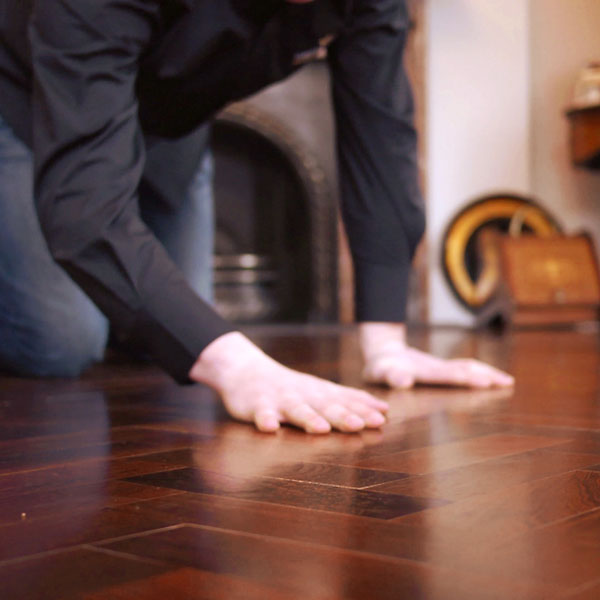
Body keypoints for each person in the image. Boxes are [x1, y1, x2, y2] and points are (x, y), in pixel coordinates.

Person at [0, 0, 514, 435]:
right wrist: (240, 368)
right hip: (33, 101)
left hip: (171, 124)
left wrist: (387, 345)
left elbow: (382, 141)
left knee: (162, 334)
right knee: (64, 344)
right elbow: (84, 210)